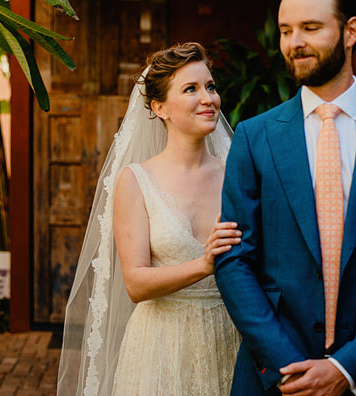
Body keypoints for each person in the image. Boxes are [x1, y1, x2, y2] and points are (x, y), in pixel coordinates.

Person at [215, 0, 356, 394]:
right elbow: (235, 260)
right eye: (286, 31)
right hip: (275, 381)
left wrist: (344, 368)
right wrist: (289, 367)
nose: (294, 42)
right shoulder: (254, 137)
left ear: (350, 31)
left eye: (310, 28)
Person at [56, 42, 244, 396]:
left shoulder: (237, 173)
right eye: (191, 89)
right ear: (160, 108)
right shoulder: (136, 181)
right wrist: (204, 265)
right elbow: (136, 283)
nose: (208, 98)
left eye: (211, 86)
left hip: (229, 338)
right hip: (161, 346)